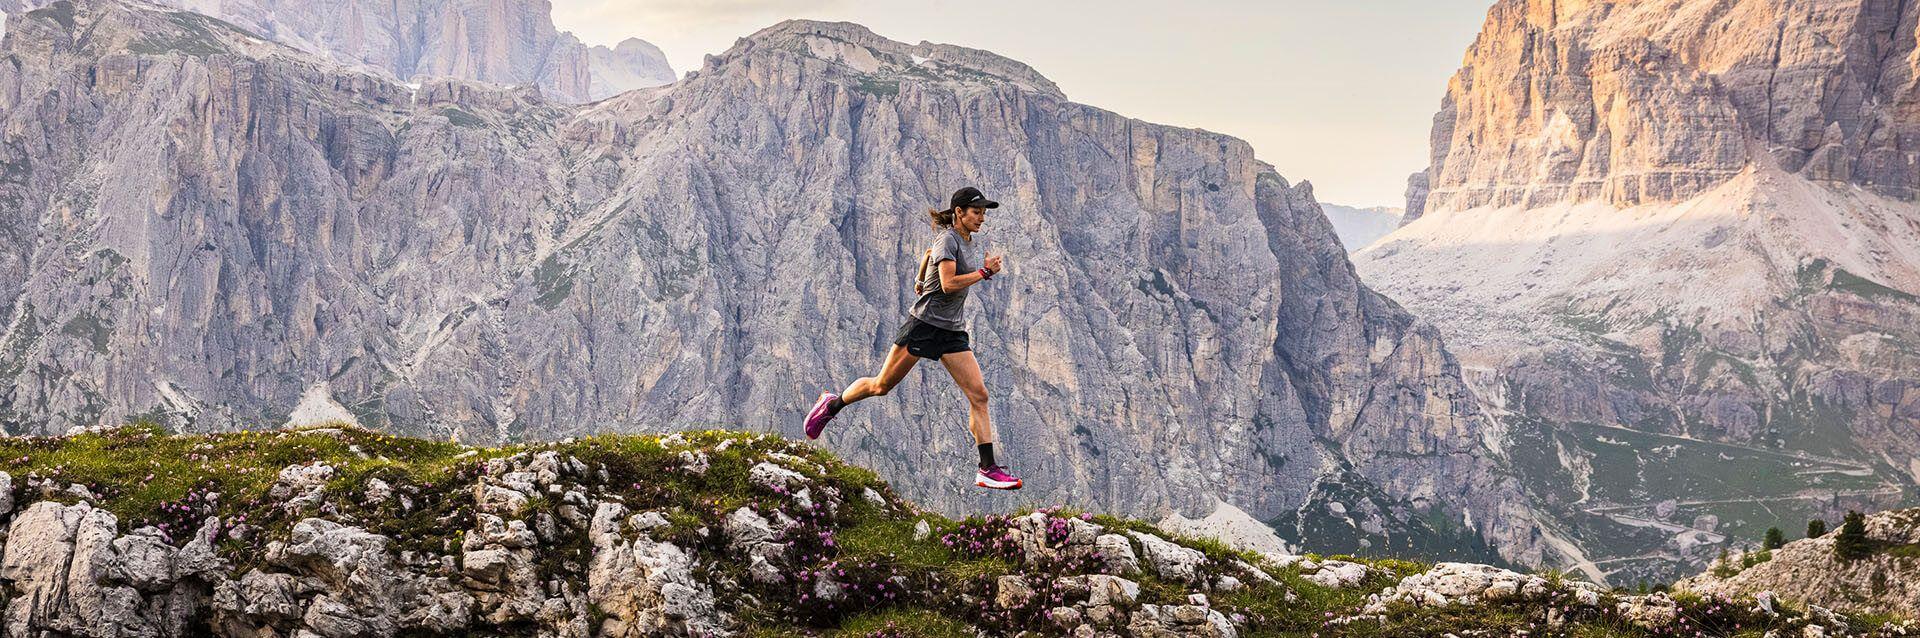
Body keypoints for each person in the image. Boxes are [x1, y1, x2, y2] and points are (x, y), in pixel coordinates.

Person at [803, 186, 1022, 490]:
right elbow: (947, 284)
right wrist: (984, 273)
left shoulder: (966, 241)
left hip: (952, 331)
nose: (982, 218)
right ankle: (832, 405)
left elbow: (929, 255)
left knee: (979, 395)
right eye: (976, 212)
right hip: (924, 325)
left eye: (984, 212)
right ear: (959, 212)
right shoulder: (948, 238)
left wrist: (920, 279)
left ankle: (987, 468)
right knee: (881, 386)